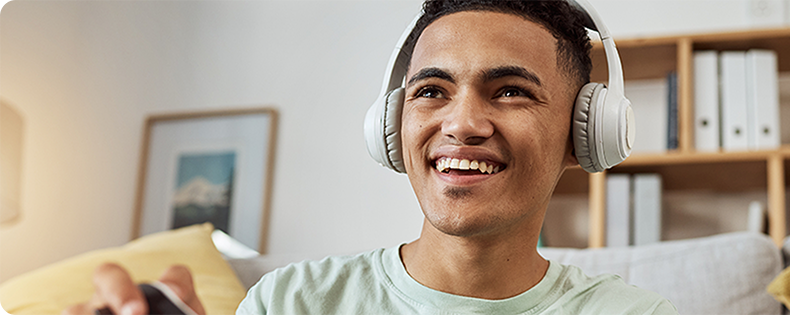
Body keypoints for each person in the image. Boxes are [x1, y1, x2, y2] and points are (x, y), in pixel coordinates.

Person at [66, 0, 678, 314]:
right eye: (431, 91)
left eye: (511, 91)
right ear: (392, 125)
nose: (461, 123)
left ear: (584, 132)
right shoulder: (294, 302)